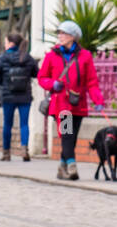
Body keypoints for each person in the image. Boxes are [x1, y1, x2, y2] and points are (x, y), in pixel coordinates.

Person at [38, 19, 105, 180]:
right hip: (61, 105)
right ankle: (72, 165)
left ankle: (62, 168)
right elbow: (42, 78)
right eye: (59, 33)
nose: (60, 36)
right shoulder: (51, 55)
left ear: (73, 36)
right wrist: (52, 84)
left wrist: (98, 101)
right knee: (67, 134)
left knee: (72, 137)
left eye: (64, 33)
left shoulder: (85, 56)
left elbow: (92, 82)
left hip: (78, 104)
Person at [0, 31, 39, 161]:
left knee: (7, 124)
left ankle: (6, 153)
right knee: (24, 124)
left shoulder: (3, 58)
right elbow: (36, 73)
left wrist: (4, 85)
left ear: (11, 43)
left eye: (6, 42)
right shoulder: (28, 57)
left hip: (8, 96)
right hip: (25, 96)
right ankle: (25, 149)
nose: (5, 44)